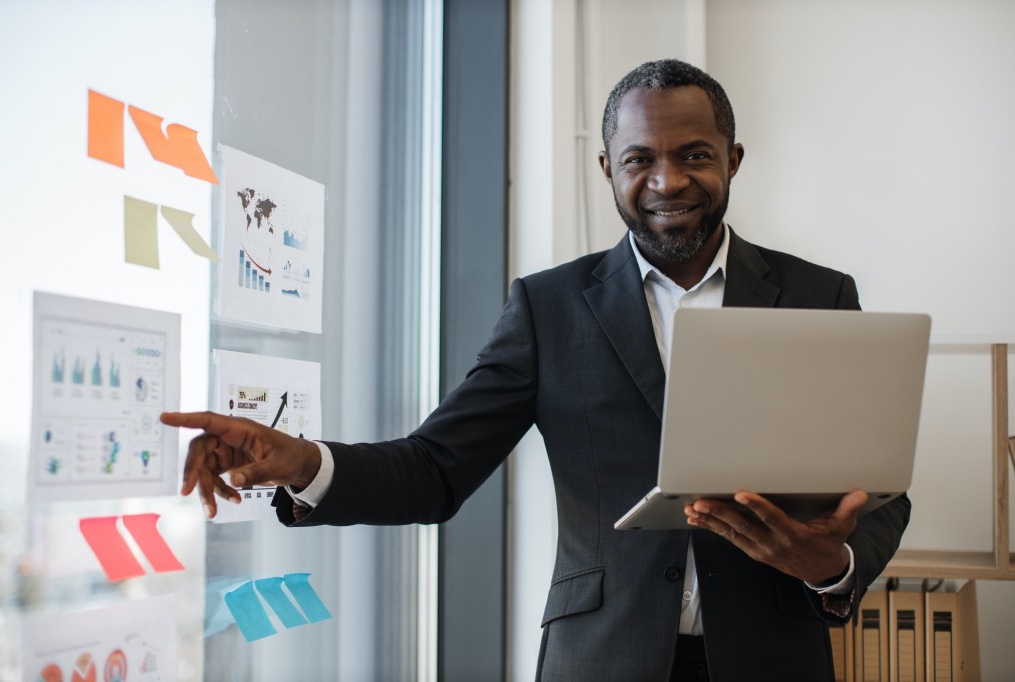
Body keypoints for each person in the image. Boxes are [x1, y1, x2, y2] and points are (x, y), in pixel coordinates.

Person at [162, 59, 909, 681]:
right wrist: (301, 462)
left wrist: (832, 563)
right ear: (607, 166)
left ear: (733, 159)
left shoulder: (818, 295)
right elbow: (435, 470)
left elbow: (876, 488)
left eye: (695, 155)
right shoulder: (548, 307)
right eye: (640, 158)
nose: (667, 180)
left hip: (772, 657)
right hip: (600, 657)